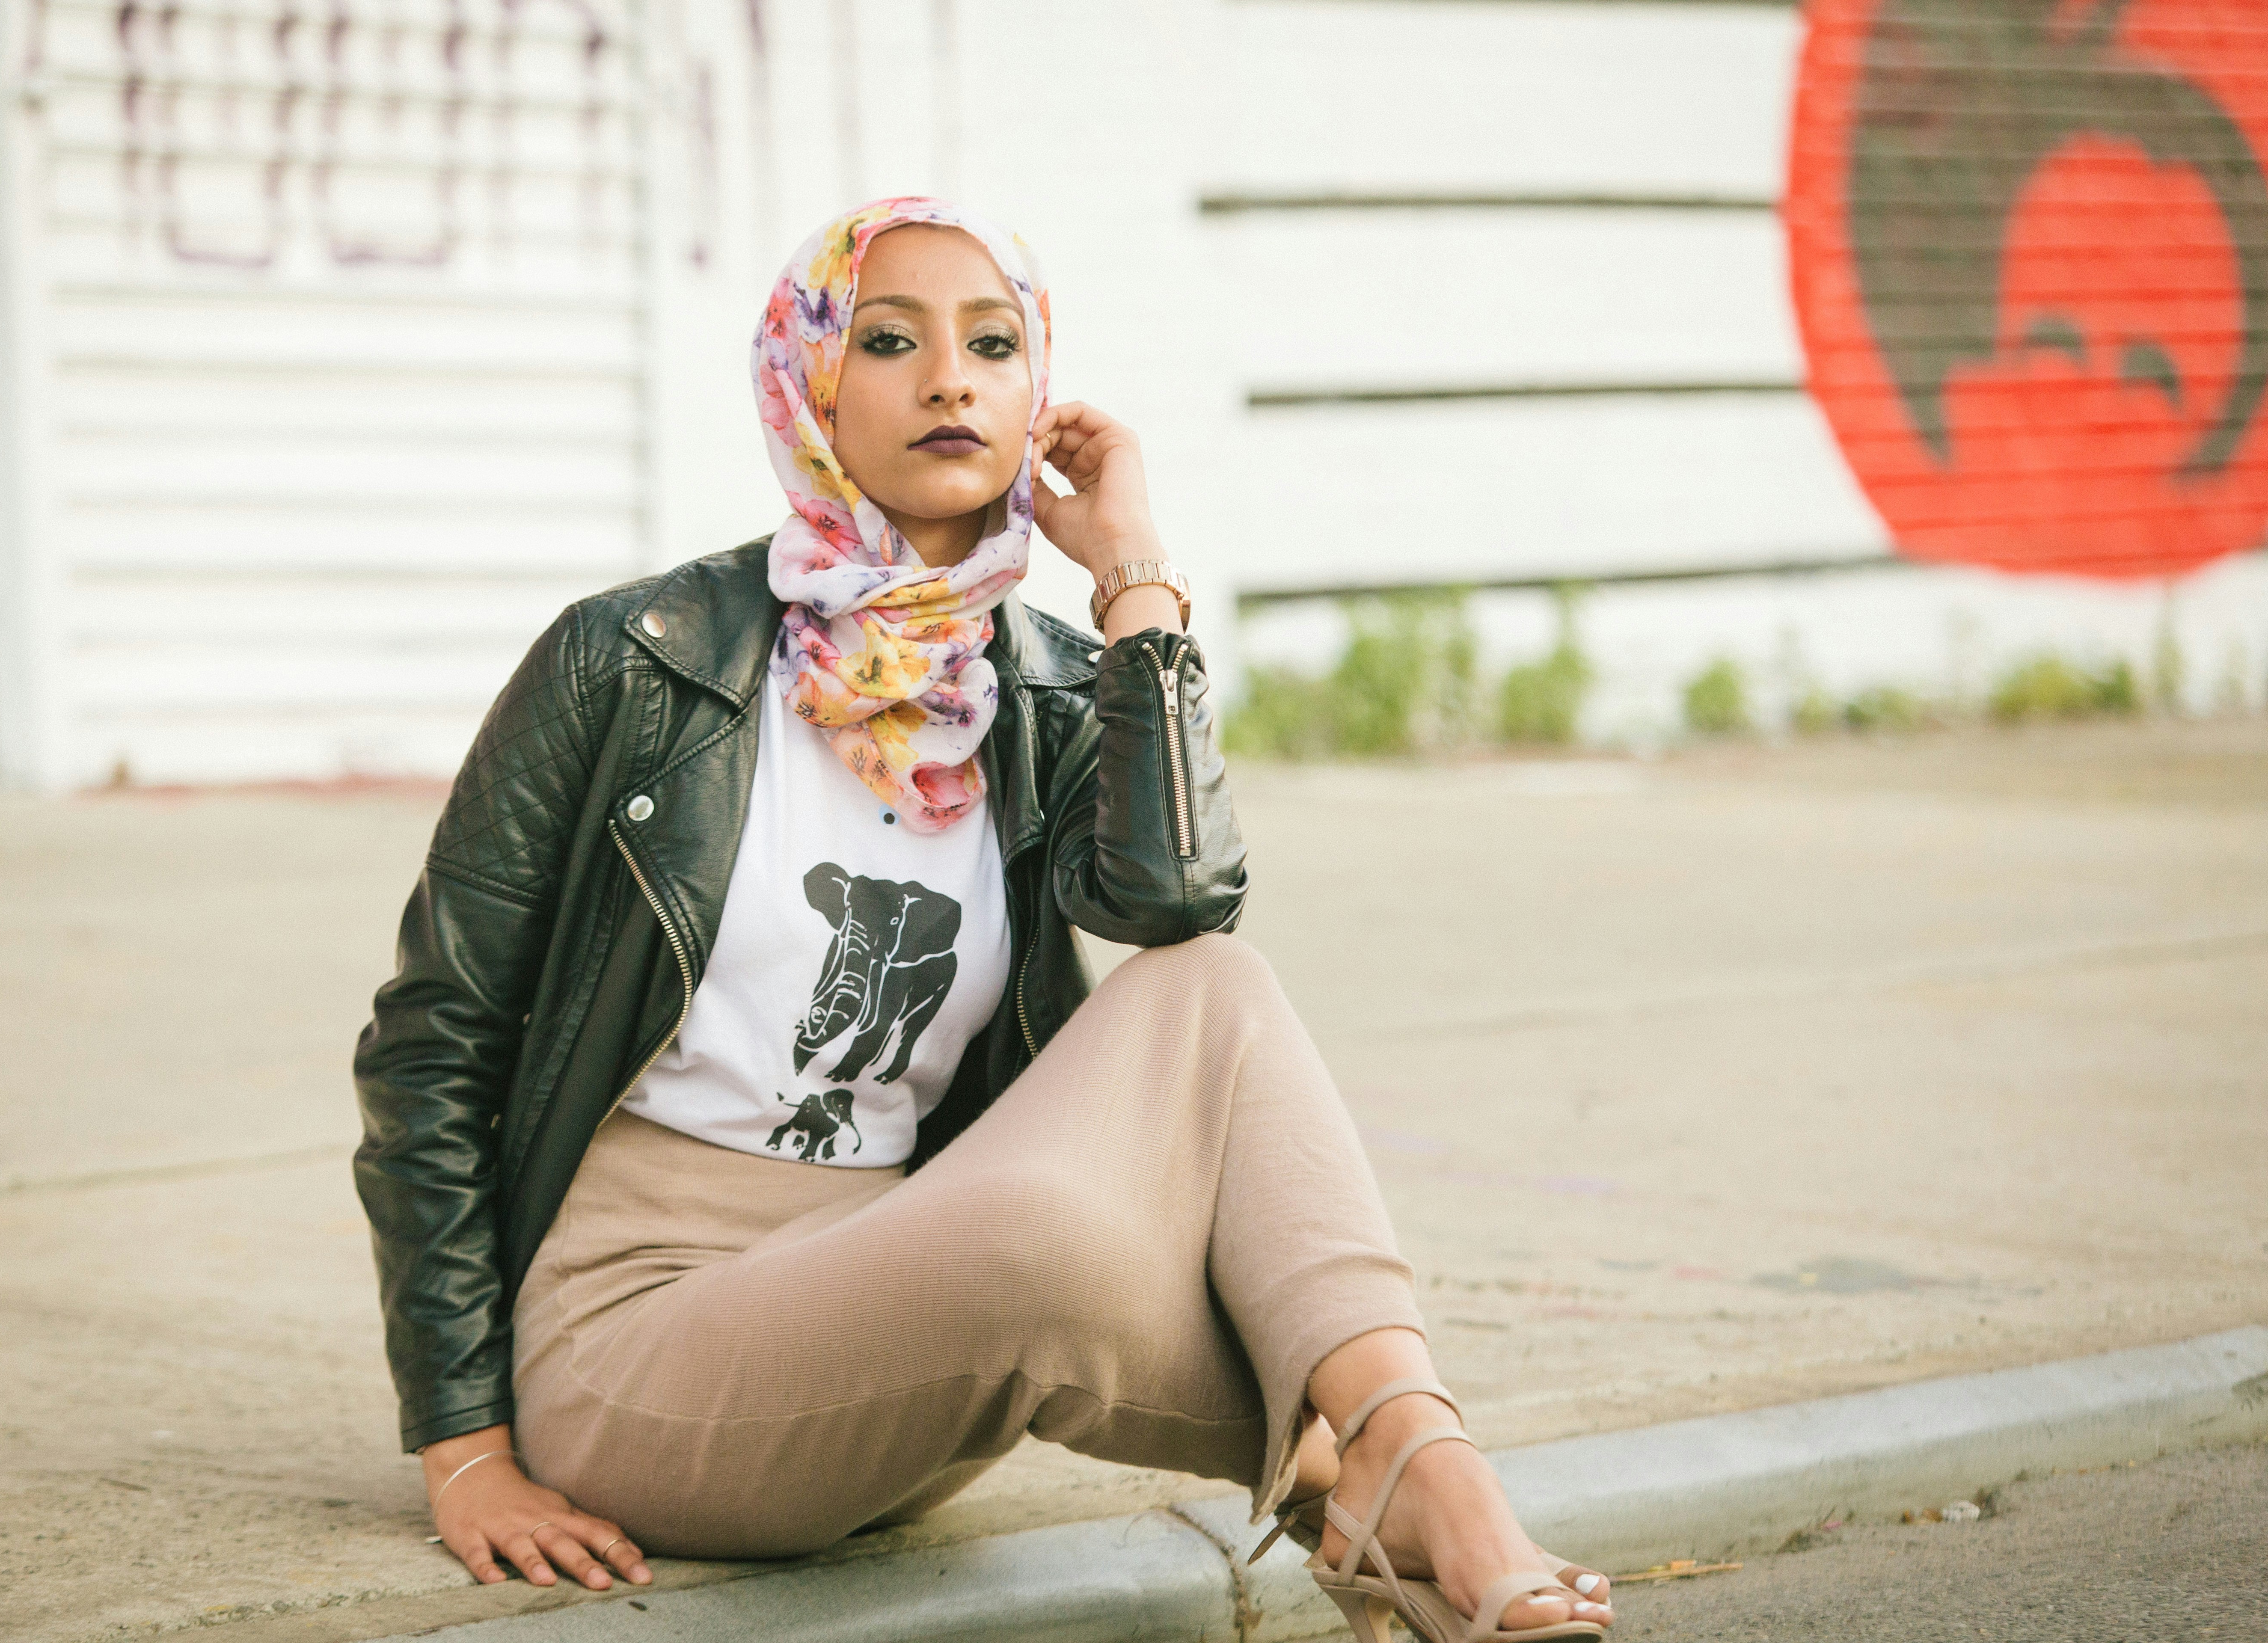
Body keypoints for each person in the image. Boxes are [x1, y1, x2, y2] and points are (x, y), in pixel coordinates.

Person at [353, 198, 1617, 1643]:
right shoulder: (633, 664)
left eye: (994, 344)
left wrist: (1136, 588)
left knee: (1214, 986)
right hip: (643, 1342)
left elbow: (1176, 902)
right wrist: (463, 1448)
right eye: (889, 341)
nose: (951, 378)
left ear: (1036, 397)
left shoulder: (1052, 691)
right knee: (1046, 1238)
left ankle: (1408, 1449)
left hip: (918, 1302)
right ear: (811, 386)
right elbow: (432, 1047)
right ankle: (1389, 1475)